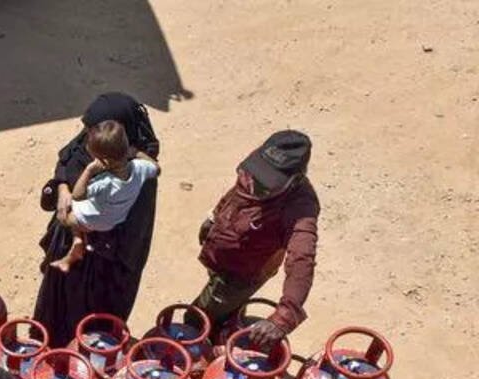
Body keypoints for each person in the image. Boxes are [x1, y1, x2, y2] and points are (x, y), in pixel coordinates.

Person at [32, 92, 161, 346]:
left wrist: (92, 233)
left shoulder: (137, 174)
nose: (87, 135)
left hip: (103, 265)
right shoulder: (95, 138)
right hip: (68, 244)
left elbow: (135, 232)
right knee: (54, 308)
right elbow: (65, 160)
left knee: (88, 326)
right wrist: (63, 189)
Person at [192, 130, 319, 345]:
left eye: (267, 183)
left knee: (196, 319)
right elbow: (235, 195)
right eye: (256, 176)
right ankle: (223, 327)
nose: (255, 185)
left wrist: (284, 317)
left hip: (241, 274)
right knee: (222, 313)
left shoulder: (300, 208)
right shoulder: (255, 172)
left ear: (294, 179)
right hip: (221, 256)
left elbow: (301, 259)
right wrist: (214, 218)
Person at [48, 120, 159, 274]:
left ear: (104, 162)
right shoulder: (140, 168)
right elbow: (157, 169)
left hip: (94, 219)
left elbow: (78, 195)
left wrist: (89, 170)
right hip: (115, 219)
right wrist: (137, 153)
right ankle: (77, 244)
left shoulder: (104, 183)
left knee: (65, 215)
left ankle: (78, 240)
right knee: (79, 211)